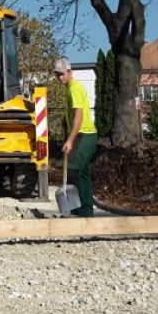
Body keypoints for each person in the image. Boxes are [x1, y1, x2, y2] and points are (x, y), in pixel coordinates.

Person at [54, 57, 98, 217]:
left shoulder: (74, 88)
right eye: (57, 74)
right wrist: (65, 121)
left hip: (85, 135)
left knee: (74, 169)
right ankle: (85, 209)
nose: (60, 77)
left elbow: (79, 115)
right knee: (82, 172)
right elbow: (73, 114)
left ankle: (82, 208)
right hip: (83, 134)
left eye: (62, 74)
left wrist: (70, 140)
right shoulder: (69, 88)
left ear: (70, 71)